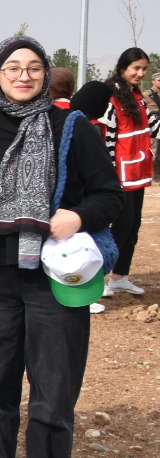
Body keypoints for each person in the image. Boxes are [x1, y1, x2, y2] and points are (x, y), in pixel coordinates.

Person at [0, 35, 120, 458]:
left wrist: (77, 214)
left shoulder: (70, 127)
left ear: (46, 74)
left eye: (34, 67)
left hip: (53, 278)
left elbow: (109, 195)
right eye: (13, 67)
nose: (24, 75)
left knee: (53, 391)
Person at [86, 48, 157, 299]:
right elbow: (107, 141)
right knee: (119, 226)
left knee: (133, 225)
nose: (141, 73)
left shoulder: (137, 96)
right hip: (119, 178)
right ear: (123, 68)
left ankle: (120, 277)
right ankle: (98, 279)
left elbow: (153, 126)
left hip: (138, 173)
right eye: (136, 68)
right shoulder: (111, 98)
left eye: (144, 69)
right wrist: (108, 177)